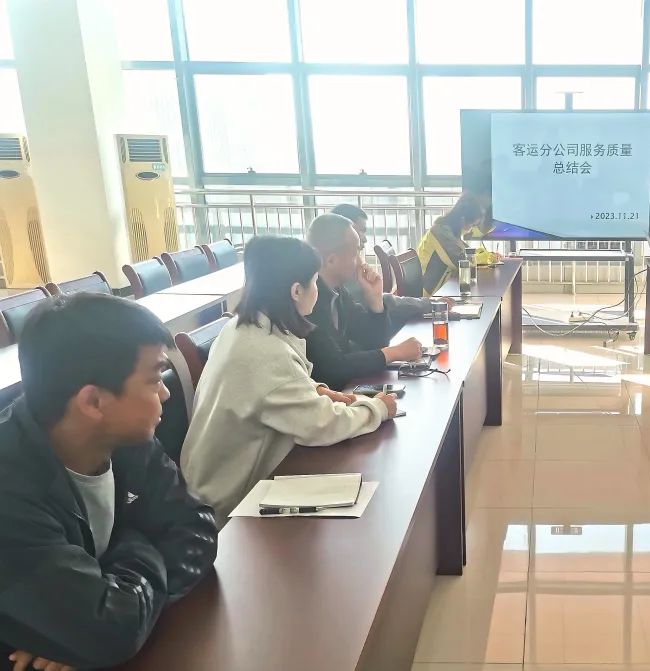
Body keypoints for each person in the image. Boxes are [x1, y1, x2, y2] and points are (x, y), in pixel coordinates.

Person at [0, 293, 217, 671]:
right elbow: (111, 631)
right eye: (154, 378)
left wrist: (93, 625)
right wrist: (138, 543)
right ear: (93, 402)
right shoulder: (10, 486)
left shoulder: (127, 441)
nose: (166, 392)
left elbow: (198, 529)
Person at [181, 236, 396, 525]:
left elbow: (270, 388)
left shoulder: (241, 328)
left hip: (213, 488)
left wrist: (315, 390)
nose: (317, 290)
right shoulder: (265, 352)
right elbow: (323, 425)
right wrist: (379, 408)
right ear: (296, 290)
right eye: (315, 282)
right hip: (230, 506)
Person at [305, 213, 424, 390]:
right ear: (331, 260)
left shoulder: (337, 291)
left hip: (345, 392)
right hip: (326, 399)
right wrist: (395, 353)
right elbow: (331, 368)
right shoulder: (308, 300)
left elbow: (374, 341)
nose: (361, 262)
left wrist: (375, 300)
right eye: (356, 254)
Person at [329, 203, 449, 329]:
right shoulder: (344, 271)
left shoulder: (349, 267)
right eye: (361, 231)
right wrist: (428, 304)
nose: (364, 239)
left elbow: (381, 302)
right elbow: (384, 302)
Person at [416, 193, 487, 296]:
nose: (471, 230)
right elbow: (460, 261)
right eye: (471, 225)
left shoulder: (448, 231)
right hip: (430, 293)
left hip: (443, 287)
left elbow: (466, 253)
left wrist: (482, 255)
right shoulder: (439, 232)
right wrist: (481, 258)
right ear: (463, 219)